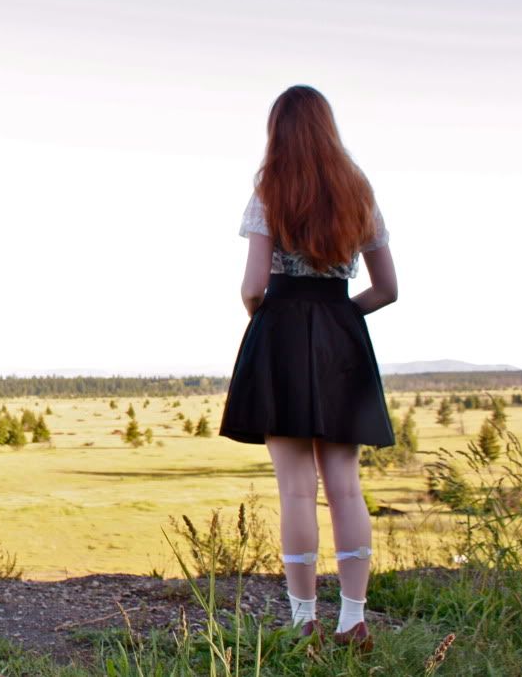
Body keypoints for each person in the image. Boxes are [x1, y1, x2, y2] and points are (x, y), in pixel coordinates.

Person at [218, 85, 398, 651]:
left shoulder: (269, 187)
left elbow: (253, 288)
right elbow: (387, 289)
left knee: (296, 491)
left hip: (282, 335)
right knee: (345, 487)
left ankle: (303, 620)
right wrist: (341, 316)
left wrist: (271, 322)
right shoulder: (358, 188)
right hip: (341, 335)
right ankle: (352, 618)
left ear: (278, 130)